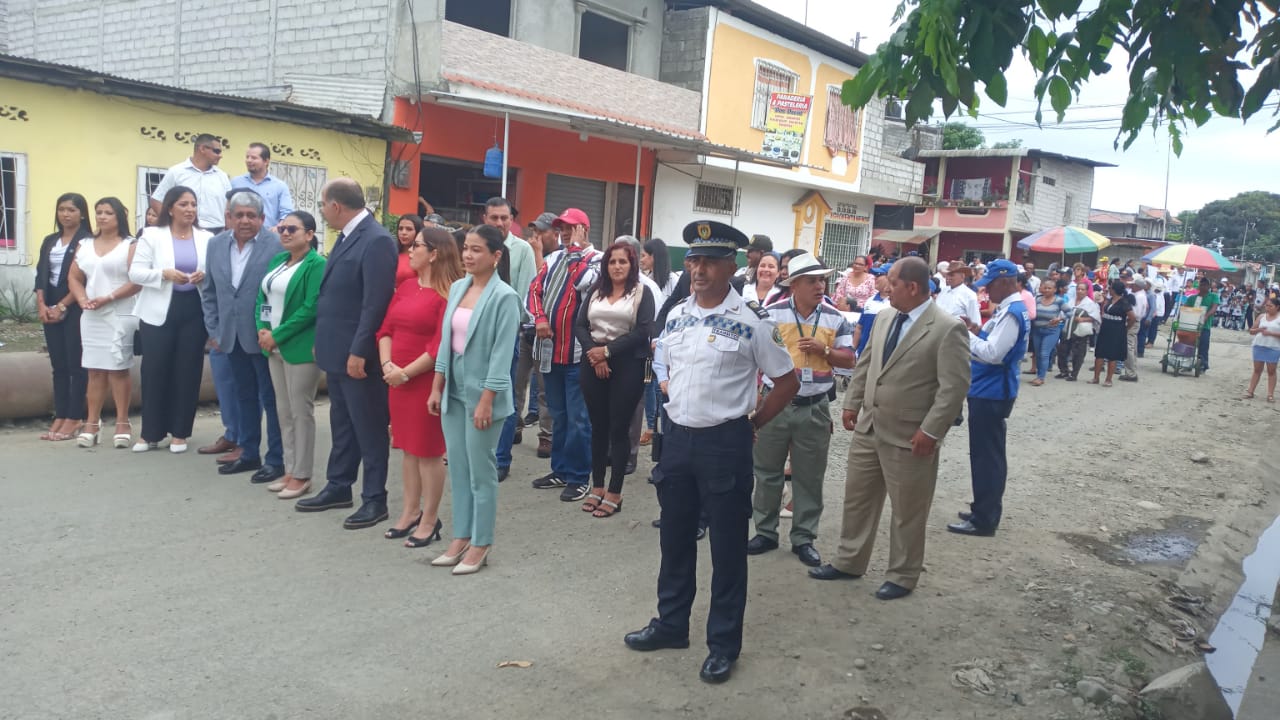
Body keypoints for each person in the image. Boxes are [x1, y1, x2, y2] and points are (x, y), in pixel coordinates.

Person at [624, 220, 798, 685]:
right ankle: (671, 624)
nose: (698, 270)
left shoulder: (753, 322)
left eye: (709, 262)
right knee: (675, 538)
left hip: (725, 444)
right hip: (678, 441)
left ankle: (722, 644)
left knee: (727, 548)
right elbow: (665, 362)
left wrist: (754, 422)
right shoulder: (678, 314)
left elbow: (787, 380)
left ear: (730, 266)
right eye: (693, 261)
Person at [810, 256, 970, 598]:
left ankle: (902, 574)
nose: (885, 288)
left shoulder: (947, 328)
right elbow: (867, 363)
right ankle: (849, 561)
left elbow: (953, 388)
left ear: (912, 287)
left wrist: (931, 431)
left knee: (908, 509)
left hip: (911, 435)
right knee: (858, 499)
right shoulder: (884, 317)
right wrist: (852, 402)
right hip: (870, 426)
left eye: (892, 283)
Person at [295, 179, 397, 529]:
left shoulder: (376, 240)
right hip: (335, 349)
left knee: (368, 428)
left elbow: (375, 303)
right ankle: (339, 485)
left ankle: (375, 498)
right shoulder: (346, 236)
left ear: (336, 206)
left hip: (358, 355)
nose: (322, 212)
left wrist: (359, 350)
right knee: (342, 423)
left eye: (323, 205)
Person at [748, 252, 854, 568]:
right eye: (812, 281)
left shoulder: (835, 318)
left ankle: (804, 538)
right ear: (794, 285)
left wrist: (825, 350)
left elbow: (849, 359)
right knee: (767, 472)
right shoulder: (771, 314)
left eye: (822, 280)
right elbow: (754, 358)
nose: (820, 286)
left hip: (814, 406)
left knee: (809, 476)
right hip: (774, 404)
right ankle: (765, 532)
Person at [427, 224, 521, 575]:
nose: (467, 255)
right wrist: (437, 385)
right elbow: (446, 342)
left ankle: (481, 542)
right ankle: (461, 536)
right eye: (466, 248)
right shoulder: (458, 287)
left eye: (476, 249)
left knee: (481, 472)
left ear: (496, 256)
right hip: (453, 391)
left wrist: (487, 399)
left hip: (484, 396)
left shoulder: (505, 297)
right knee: (459, 468)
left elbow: (502, 354)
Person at [377, 226, 463, 544]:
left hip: (424, 382)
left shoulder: (448, 294)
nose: (410, 250)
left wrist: (405, 373)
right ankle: (410, 511)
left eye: (417, 245)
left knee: (428, 451)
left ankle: (429, 518)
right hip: (396, 379)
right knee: (407, 449)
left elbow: (440, 345)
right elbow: (385, 329)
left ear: (435, 254)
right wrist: (388, 365)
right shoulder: (406, 286)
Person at [201, 191, 285, 483]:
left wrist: (274, 331)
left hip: (263, 336)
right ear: (229, 217)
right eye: (239, 215)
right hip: (230, 336)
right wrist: (214, 330)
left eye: (251, 215)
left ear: (262, 218)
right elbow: (209, 292)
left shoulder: (276, 245)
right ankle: (249, 453)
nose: (245, 221)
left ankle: (276, 459)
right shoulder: (215, 244)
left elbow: (281, 291)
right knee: (243, 396)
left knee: (271, 398)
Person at [571, 241, 655, 517]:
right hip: (593, 361)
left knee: (619, 429)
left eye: (623, 261)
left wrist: (607, 351)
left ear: (632, 265)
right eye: (612, 261)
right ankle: (597, 486)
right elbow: (580, 325)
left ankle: (615, 491)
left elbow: (643, 331)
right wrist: (595, 354)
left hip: (627, 364)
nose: (617, 266)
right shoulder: (597, 290)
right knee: (598, 427)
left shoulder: (642, 292)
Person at [948, 259, 1028, 538]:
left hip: (993, 391)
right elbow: (992, 340)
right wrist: (976, 330)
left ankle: (984, 518)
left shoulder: (1011, 313)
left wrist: (964, 336)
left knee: (988, 457)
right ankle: (982, 508)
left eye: (989, 285)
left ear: (1005, 282)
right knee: (985, 454)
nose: (986, 291)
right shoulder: (1008, 309)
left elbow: (994, 353)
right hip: (988, 389)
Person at [128, 186, 212, 452]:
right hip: (158, 310)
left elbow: (214, 273)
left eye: (193, 204)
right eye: (184, 204)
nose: (190, 209)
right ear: (171, 208)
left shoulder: (207, 238)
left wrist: (203, 276)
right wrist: (163, 274)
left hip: (194, 309)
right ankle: (150, 433)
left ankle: (180, 433)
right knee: (154, 370)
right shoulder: (152, 235)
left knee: (188, 371)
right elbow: (135, 273)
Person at [527, 208, 599, 502]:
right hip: (550, 352)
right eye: (562, 228)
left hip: (578, 354)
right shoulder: (553, 258)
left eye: (571, 228)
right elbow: (534, 290)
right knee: (558, 415)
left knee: (579, 419)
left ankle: (579, 477)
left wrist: (577, 251)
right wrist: (540, 318)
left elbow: (585, 283)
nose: (565, 233)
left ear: (584, 229)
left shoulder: (598, 260)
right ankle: (560, 470)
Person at [255, 211, 326, 499]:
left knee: (300, 412)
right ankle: (289, 468)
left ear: (309, 234)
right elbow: (262, 297)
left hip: (299, 347)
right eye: (282, 228)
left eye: (292, 229)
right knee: (283, 412)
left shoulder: (316, 265)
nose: (285, 233)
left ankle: (303, 474)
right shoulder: (278, 261)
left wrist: (278, 334)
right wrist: (262, 329)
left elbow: (311, 307)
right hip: (272, 346)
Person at [66, 197, 140, 448]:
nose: (102, 217)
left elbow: (136, 281)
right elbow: (74, 277)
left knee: (118, 368)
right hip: (92, 314)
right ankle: (92, 423)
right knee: (94, 370)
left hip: (120, 311)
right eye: (99, 212)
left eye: (108, 212)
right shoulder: (85, 244)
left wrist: (109, 297)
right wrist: (82, 299)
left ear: (119, 216)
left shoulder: (130, 244)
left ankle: (122, 422)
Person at [484, 198, 537, 482]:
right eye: (494, 217)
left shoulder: (522, 249)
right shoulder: (476, 244)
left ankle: (501, 458)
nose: (500, 223)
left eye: (504, 218)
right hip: (477, 335)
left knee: (505, 397)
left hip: (508, 333)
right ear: (485, 218)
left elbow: (526, 294)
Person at [34, 193, 93, 441]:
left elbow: (83, 278)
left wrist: (62, 305)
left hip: (75, 304)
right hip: (49, 305)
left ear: (82, 214)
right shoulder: (50, 240)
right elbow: (41, 274)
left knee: (75, 364)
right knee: (58, 365)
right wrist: (41, 304)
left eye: (71, 210)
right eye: (61, 209)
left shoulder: (87, 241)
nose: (65, 214)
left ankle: (75, 416)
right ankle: (60, 414)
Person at [515, 212, 558, 458]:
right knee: (517, 381)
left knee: (544, 387)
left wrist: (538, 252)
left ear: (555, 233)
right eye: (534, 231)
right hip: (526, 327)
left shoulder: (559, 257)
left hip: (546, 331)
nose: (536, 236)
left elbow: (544, 285)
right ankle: (515, 425)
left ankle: (546, 435)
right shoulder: (526, 252)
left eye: (542, 231)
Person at [150, 134, 231, 233]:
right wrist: (170, 224)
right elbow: (156, 200)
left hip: (217, 232)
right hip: (185, 230)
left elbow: (229, 206)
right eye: (217, 151)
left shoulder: (223, 176)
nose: (220, 156)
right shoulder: (176, 172)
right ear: (202, 149)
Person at [640, 238, 678, 445]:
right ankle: (650, 426)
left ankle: (659, 429)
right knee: (648, 382)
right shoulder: (646, 279)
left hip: (665, 339)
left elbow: (671, 311)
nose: (641, 260)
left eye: (644, 255)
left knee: (659, 384)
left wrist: (660, 337)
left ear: (655, 257)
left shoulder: (672, 280)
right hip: (648, 337)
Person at [230, 143, 295, 225]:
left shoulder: (279, 186)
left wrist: (278, 227)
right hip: (240, 231)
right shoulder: (236, 182)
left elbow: (287, 213)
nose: (249, 160)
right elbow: (228, 209)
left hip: (268, 232)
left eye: (253, 158)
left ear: (266, 161)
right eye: (247, 157)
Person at [1090, 279, 1136, 386]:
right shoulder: (1110, 300)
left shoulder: (1124, 302)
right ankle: (1096, 378)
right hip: (1105, 328)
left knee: (1112, 355)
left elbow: (1132, 317)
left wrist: (1126, 328)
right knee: (1100, 353)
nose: (1108, 290)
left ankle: (1108, 379)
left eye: (1110, 288)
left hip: (1117, 329)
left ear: (1114, 290)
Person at [1056, 279, 1100, 381]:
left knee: (1078, 354)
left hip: (1080, 332)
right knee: (1062, 351)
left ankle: (1074, 374)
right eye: (1078, 289)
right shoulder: (1071, 300)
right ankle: (1064, 371)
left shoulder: (1090, 304)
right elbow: (1064, 313)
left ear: (1086, 291)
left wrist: (1083, 319)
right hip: (1067, 330)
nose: (1080, 291)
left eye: (1082, 289)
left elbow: (1096, 318)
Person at [1029, 276, 1067, 386]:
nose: (1046, 290)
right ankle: (1039, 375)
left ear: (1055, 290)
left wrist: (1059, 319)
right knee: (1038, 354)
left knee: (1044, 353)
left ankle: (1041, 377)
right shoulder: (1037, 299)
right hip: (1037, 330)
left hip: (1051, 331)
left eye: (1049, 288)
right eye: (1045, 288)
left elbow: (1069, 313)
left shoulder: (1059, 301)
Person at [1244, 296, 1280, 402]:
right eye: (1266, 305)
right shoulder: (1261, 316)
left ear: (1277, 307)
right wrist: (1259, 329)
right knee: (1257, 370)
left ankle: (1270, 394)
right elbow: (1251, 331)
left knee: (1271, 371)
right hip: (1259, 345)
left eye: (1270, 306)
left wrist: (1270, 333)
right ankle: (1250, 391)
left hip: (1273, 347)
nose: (1267, 308)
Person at [1184, 276, 1219, 372]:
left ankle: (1202, 365)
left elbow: (1214, 308)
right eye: (1202, 285)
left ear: (1209, 286)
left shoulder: (1213, 296)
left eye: (1205, 285)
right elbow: (1185, 308)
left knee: (1203, 345)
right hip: (1191, 325)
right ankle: (1187, 363)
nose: (1203, 287)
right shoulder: (1192, 298)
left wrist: (1206, 315)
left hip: (1205, 326)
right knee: (1189, 344)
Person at [1119, 275, 1147, 382]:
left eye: (1133, 285)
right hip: (1135, 322)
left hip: (1132, 322)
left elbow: (1135, 315)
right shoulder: (1140, 295)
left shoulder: (1138, 297)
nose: (1131, 287)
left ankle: (1130, 373)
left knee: (1129, 348)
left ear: (1137, 286)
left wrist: (1128, 326)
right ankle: (1132, 371)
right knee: (1132, 347)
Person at [393, 214, 424, 285]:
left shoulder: (422, 257)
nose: (403, 233)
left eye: (409, 229)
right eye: (400, 229)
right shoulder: (391, 253)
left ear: (418, 232)